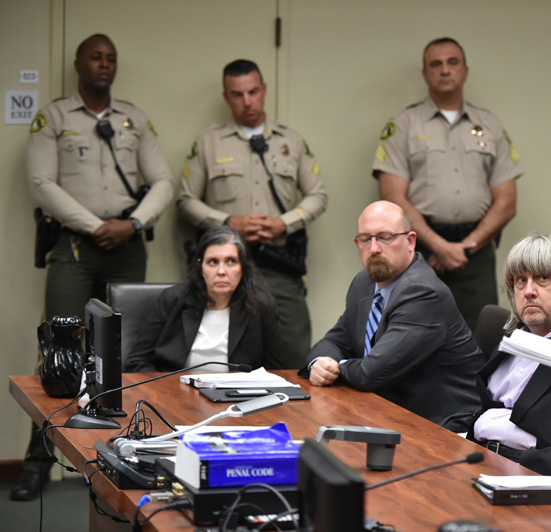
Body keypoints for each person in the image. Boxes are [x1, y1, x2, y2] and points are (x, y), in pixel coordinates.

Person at [17, 33, 173, 501]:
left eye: (111, 59)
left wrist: (136, 222)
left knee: (122, 353)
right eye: (95, 57)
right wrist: (94, 225)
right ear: (79, 63)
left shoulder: (134, 119)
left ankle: (120, 453)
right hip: (76, 247)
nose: (104, 65)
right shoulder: (55, 117)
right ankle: (37, 461)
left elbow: (162, 180)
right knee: (61, 350)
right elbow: (41, 180)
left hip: (127, 244)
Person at [177, 59, 327, 369]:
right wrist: (228, 223)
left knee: (294, 351)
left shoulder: (291, 141)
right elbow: (185, 201)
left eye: (253, 92)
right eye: (237, 94)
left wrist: (281, 224)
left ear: (264, 90)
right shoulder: (209, 143)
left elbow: (318, 195)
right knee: (220, 350)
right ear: (226, 97)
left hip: (277, 261)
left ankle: (291, 416)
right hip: (225, 263)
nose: (247, 101)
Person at [372, 37, 523, 332]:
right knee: (413, 333)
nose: (444, 70)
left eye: (452, 62)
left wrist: (464, 248)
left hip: (475, 254)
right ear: (425, 73)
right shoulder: (403, 125)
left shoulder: (490, 126)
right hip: (419, 251)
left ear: (465, 71)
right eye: (436, 64)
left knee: (481, 338)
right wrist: (439, 247)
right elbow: (392, 198)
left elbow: (507, 202)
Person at [300, 200, 482, 426]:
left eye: (385, 237)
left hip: (442, 426)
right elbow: (334, 340)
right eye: (366, 239)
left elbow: (370, 374)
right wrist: (320, 362)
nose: (374, 248)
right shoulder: (363, 283)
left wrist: (335, 367)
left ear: (410, 241)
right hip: (387, 412)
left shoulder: (422, 293)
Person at [466, 234, 551, 476]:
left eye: (542, 279)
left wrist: (523, 461)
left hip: (533, 475)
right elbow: (480, 406)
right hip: (476, 456)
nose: (529, 291)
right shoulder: (513, 336)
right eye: (521, 280)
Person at [125, 226, 282, 372]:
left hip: (236, 398)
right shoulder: (173, 299)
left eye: (231, 261)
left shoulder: (261, 306)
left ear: (243, 267)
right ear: (201, 267)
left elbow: (276, 371)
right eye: (213, 262)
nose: (221, 271)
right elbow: (137, 362)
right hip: (174, 394)